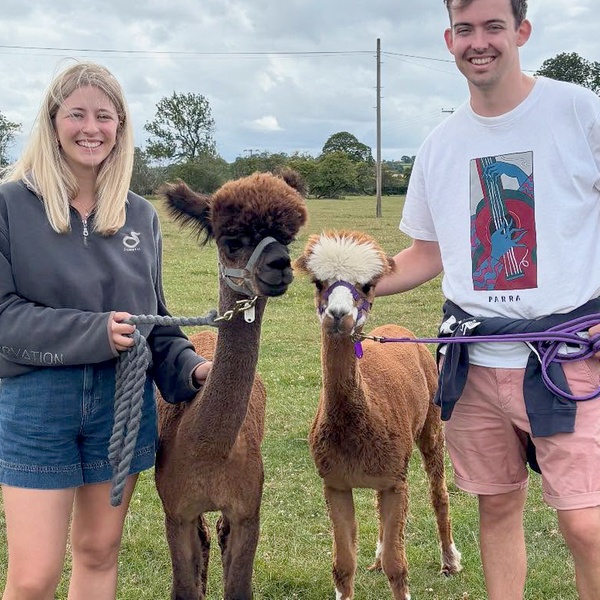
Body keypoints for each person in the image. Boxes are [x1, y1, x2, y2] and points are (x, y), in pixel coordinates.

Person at [375, 0, 600, 598]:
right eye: (466, 29)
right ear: (449, 38)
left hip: (566, 358)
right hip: (473, 364)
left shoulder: (578, 111)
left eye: (494, 26)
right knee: (496, 507)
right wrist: (353, 283)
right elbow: (426, 253)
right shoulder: (440, 145)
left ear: (521, 31)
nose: (479, 42)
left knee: (586, 525)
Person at [0, 61, 212, 600]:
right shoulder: (9, 205)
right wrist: (96, 333)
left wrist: (193, 368)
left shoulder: (139, 215)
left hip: (122, 404)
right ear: (53, 122)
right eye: (76, 114)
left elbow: (154, 319)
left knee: (99, 553)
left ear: (120, 125)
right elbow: (4, 316)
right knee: (33, 577)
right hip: (37, 401)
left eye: (104, 116)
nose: (90, 128)